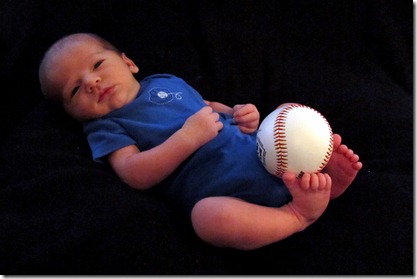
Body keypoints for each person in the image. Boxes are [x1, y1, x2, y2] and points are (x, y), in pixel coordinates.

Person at [38, 33, 363, 250]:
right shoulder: (107, 127)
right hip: (232, 197)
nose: (92, 81)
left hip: (264, 157)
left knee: (285, 112)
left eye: (97, 65)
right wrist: (186, 138)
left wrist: (238, 113)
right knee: (206, 219)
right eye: (75, 90)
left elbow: (209, 108)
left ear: (128, 63)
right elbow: (132, 173)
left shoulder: (164, 81)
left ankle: (321, 178)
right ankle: (297, 215)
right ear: (73, 113)